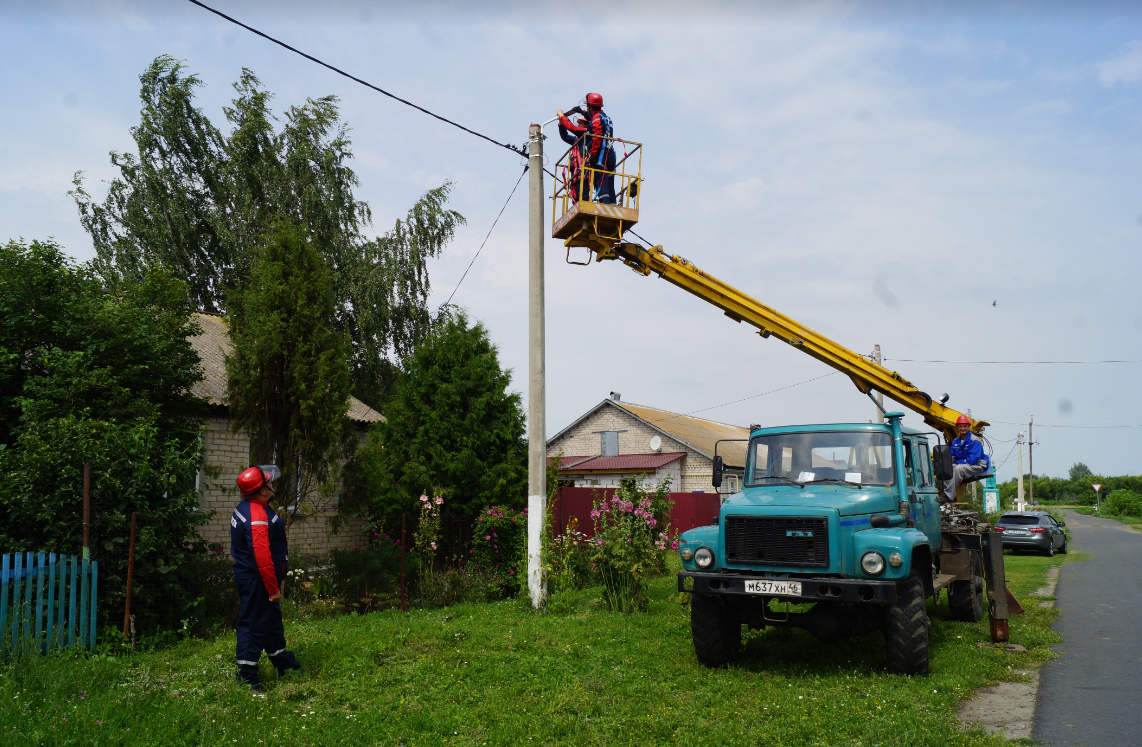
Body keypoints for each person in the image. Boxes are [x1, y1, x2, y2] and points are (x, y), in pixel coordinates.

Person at [231, 465, 301, 694]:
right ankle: (247, 679)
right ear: (262, 491)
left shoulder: (250, 506)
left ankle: (285, 665)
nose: (272, 485)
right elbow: (262, 557)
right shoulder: (258, 515)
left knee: (270, 622)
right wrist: (273, 589)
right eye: (269, 483)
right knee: (253, 626)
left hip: (254, 577)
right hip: (258, 580)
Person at [557, 92, 616, 203]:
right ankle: (612, 204)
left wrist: (562, 116)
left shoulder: (589, 129)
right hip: (609, 155)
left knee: (602, 184)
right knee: (609, 183)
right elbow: (565, 136)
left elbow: (574, 128)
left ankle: (605, 206)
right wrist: (580, 112)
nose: (579, 124)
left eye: (581, 123)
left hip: (600, 158)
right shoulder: (605, 118)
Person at [940, 415, 990, 503]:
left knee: (958, 469)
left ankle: (947, 496)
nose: (963, 428)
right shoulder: (955, 442)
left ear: (969, 427)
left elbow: (972, 459)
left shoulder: (975, 440)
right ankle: (952, 496)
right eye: (960, 426)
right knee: (944, 469)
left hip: (976, 465)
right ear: (957, 428)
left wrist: (956, 465)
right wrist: (951, 465)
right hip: (962, 464)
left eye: (965, 426)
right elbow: (952, 457)